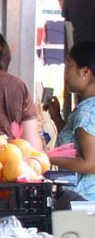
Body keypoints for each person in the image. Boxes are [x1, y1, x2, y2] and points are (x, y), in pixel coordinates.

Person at [48, 41, 95, 199]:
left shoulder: (86, 111)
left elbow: (90, 164)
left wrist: (46, 157)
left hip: (84, 202)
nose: (65, 73)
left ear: (85, 71)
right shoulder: (88, 107)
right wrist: (57, 118)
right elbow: (75, 144)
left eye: (69, 65)